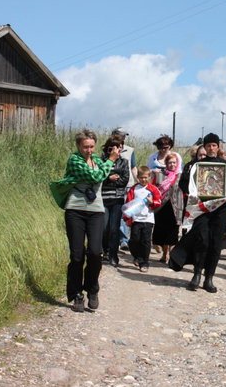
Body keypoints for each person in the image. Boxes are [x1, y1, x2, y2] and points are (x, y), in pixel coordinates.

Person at [57, 129, 120, 312]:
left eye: (92, 146)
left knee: (95, 252)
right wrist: (111, 161)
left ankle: (92, 288)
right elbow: (95, 176)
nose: (89, 150)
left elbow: (104, 173)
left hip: (96, 212)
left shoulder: (99, 161)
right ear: (78, 146)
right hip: (75, 210)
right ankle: (76, 294)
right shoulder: (75, 160)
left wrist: (108, 163)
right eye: (85, 147)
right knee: (77, 255)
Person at [174, 133, 226, 293]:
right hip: (201, 209)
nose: (211, 148)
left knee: (216, 244)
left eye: (214, 145)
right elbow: (184, 183)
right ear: (204, 147)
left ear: (218, 147)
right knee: (202, 241)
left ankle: (209, 278)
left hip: (220, 210)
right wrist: (190, 192)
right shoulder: (196, 166)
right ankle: (196, 274)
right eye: (208, 145)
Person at [124, 166, 162, 272]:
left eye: (145, 177)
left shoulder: (153, 189)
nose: (143, 180)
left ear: (149, 177)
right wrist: (126, 217)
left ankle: (144, 262)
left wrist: (152, 202)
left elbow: (159, 202)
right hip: (136, 219)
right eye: (141, 177)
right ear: (138, 177)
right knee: (134, 240)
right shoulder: (133, 189)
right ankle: (137, 256)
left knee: (145, 241)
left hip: (148, 219)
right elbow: (128, 204)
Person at [101, 135, 130, 267]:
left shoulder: (124, 162)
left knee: (114, 228)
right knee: (104, 227)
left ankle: (113, 254)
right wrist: (109, 179)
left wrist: (112, 180)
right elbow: (99, 178)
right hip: (103, 199)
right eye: (111, 148)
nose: (114, 151)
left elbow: (124, 180)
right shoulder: (101, 161)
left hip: (117, 199)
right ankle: (105, 251)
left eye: (118, 148)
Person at [152, 153, 183, 264]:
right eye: (170, 162)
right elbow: (153, 189)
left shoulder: (181, 176)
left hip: (176, 207)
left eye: (174, 162)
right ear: (166, 164)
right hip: (162, 207)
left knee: (173, 233)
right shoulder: (160, 175)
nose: (172, 164)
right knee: (163, 232)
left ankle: (173, 257)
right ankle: (165, 254)